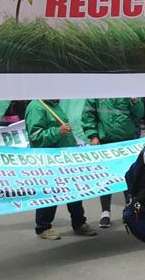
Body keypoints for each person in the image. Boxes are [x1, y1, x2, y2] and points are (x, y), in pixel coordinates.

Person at [26, 98, 97, 240]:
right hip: (50, 160)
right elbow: (36, 137)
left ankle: (79, 222)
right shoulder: (36, 107)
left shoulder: (54, 105)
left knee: (74, 191)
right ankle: (43, 227)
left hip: (65, 157)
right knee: (51, 192)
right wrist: (58, 131)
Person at [81, 97, 144, 227]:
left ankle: (130, 210)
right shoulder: (97, 90)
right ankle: (105, 212)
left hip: (126, 142)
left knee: (129, 178)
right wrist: (93, 135)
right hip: (105, 142)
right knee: (105, 178)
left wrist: (135, 102)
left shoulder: (129, 90)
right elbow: (88, 114)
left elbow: (139, 114)